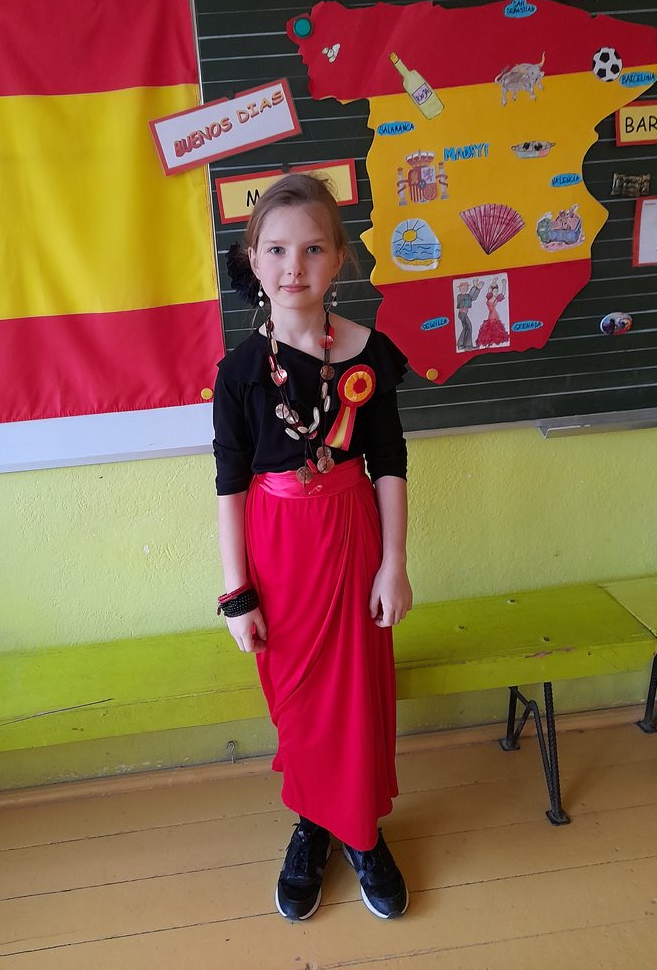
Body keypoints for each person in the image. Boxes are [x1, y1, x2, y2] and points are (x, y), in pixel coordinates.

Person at [212, 173, 412, 922]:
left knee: (356, 700)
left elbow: (389, 461)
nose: (293, 266)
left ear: (338, 259)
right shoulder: (238, 374)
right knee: (298, 707)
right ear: (253, 260)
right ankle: (313, 827)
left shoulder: (370, 354)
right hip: (277, 554)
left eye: (312, 249)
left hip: (354, 542)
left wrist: (394, 565)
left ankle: (363, 834)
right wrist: (238, 593)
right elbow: (230, 484)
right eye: (276, 249)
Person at [475, 276, 509, 348]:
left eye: (497, 291)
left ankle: (491, 342)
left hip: (495, 315)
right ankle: (488, 342)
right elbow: (489, 289)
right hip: (491, 315)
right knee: (489, 329)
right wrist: (494, 281)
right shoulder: (489, 297)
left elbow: (503, 293)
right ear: (492, 291)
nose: (496, 292)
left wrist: (504, 284)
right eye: (495, 291)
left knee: (495, 329)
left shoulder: (496, 299)